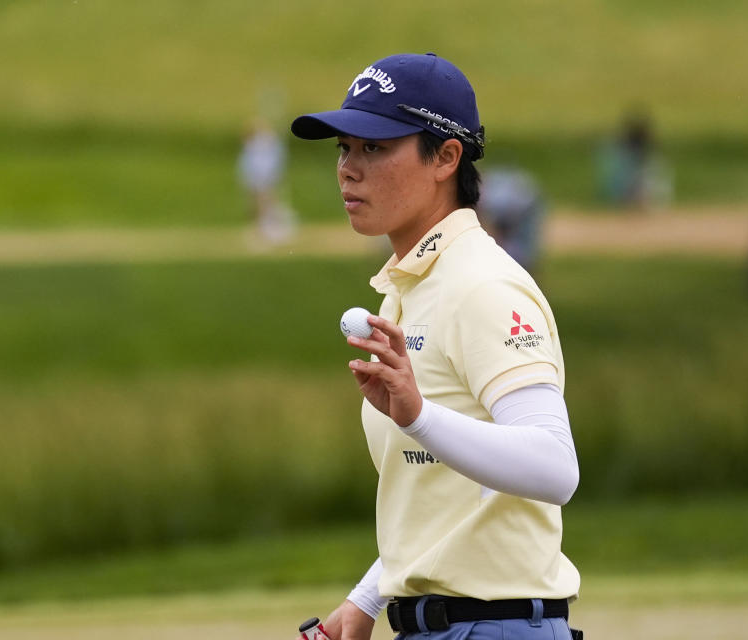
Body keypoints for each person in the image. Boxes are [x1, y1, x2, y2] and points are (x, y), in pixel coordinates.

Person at [291, 53, 581, 640]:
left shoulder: (482, 285)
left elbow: (555, 467)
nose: (348, 169)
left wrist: (420, 415)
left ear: (447, 158)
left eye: (374, 149)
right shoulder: (413, 288)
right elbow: (448, 506)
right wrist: (367, 600)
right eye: (344, 148)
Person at [237, 118, 296, 244]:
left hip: (265, 178)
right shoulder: (252, 147)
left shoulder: (265, 144)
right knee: (259, 204)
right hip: (259, 178)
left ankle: (269, 227)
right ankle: (262, 228)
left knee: (266, 202)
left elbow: (273, 160)